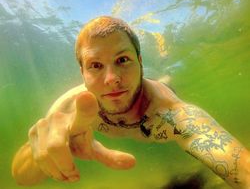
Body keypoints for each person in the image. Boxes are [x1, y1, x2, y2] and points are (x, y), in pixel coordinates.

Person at [12, 16, 250, 188]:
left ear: (139, 61)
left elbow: (235, 162)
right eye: (95, 65)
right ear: (82, 72)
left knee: (167, 76)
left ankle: (165, 69)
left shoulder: (168, 113)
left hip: (156, 82)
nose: (112, 79)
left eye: (123, 59)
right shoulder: (70, 108)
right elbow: (21, 177)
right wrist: (39, 155)